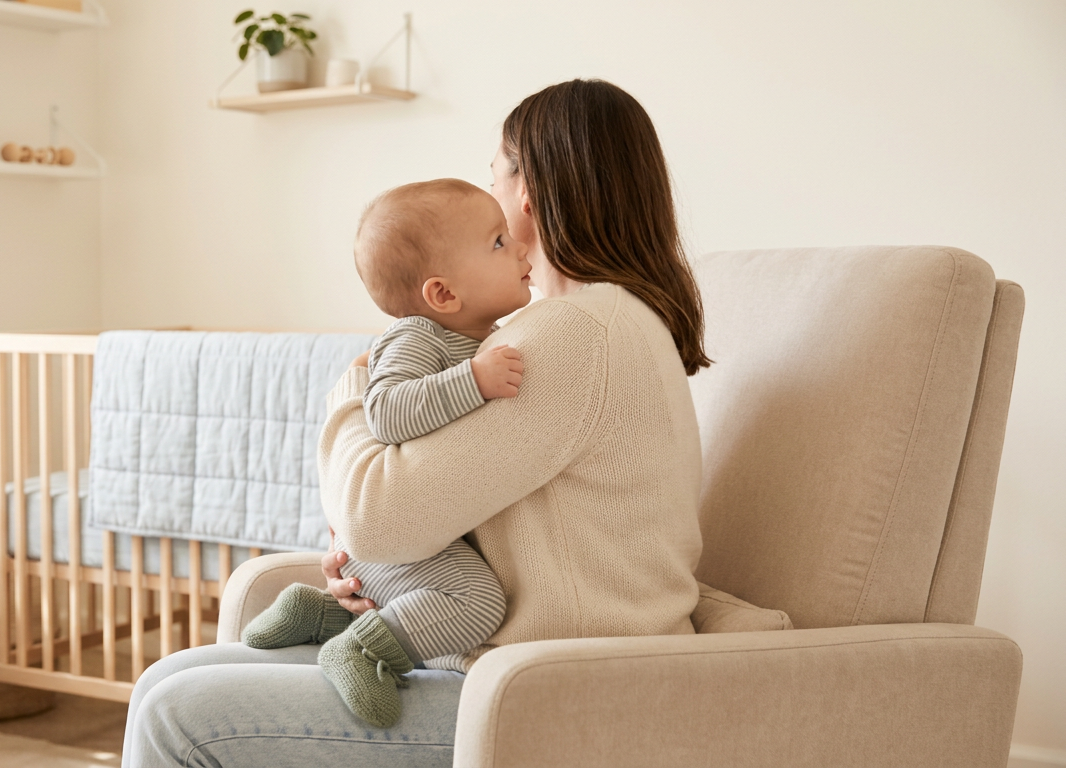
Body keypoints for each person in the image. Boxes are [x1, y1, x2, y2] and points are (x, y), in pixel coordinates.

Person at [121, 78, 711, 767]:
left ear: (526, 192)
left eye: (493, 168)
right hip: (524, 667)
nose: (485, 189)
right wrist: (399, 585)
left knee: (175, 715)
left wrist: (359, 380)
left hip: (549, 690)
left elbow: (375, 515)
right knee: (168, 679)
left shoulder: (573, 335)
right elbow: (442, 515)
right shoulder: (599, 324)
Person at [238, 178, 530, 728]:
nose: (517, 245)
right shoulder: (418, 337)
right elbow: (389, 412)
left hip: (405, 538)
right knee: (477, 601)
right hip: (393, 538)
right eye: (497, 242)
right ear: (443, 294)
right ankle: (363, 651)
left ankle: (323, 616)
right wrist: (473, 380)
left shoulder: (477, 334)